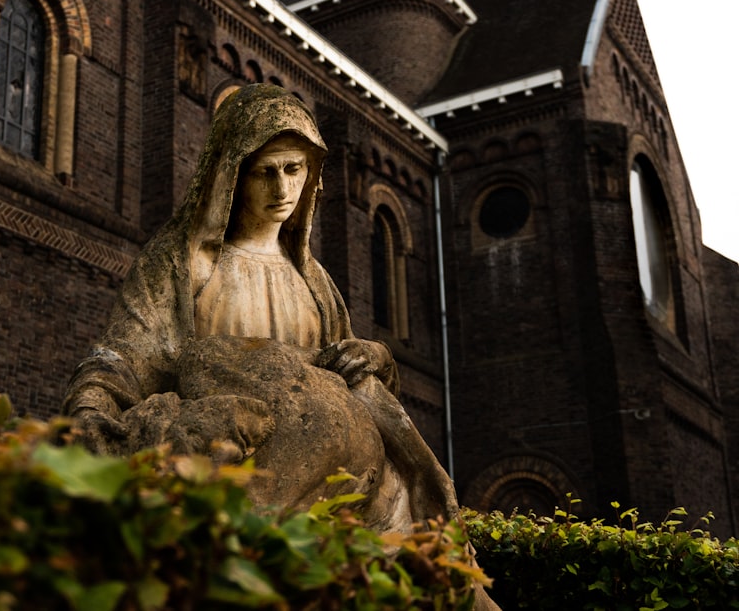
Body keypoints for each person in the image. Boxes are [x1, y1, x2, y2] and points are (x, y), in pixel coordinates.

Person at [62, 84, 499, 608]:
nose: (282, 186)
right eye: (265, 171)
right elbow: (122, 358)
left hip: (338, 486)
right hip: (243, 467)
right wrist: (90, 410)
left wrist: (376, 358)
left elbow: (356, 384)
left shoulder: (314, 282)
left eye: (295, 170)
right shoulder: (185, 265)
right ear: (232, 174)